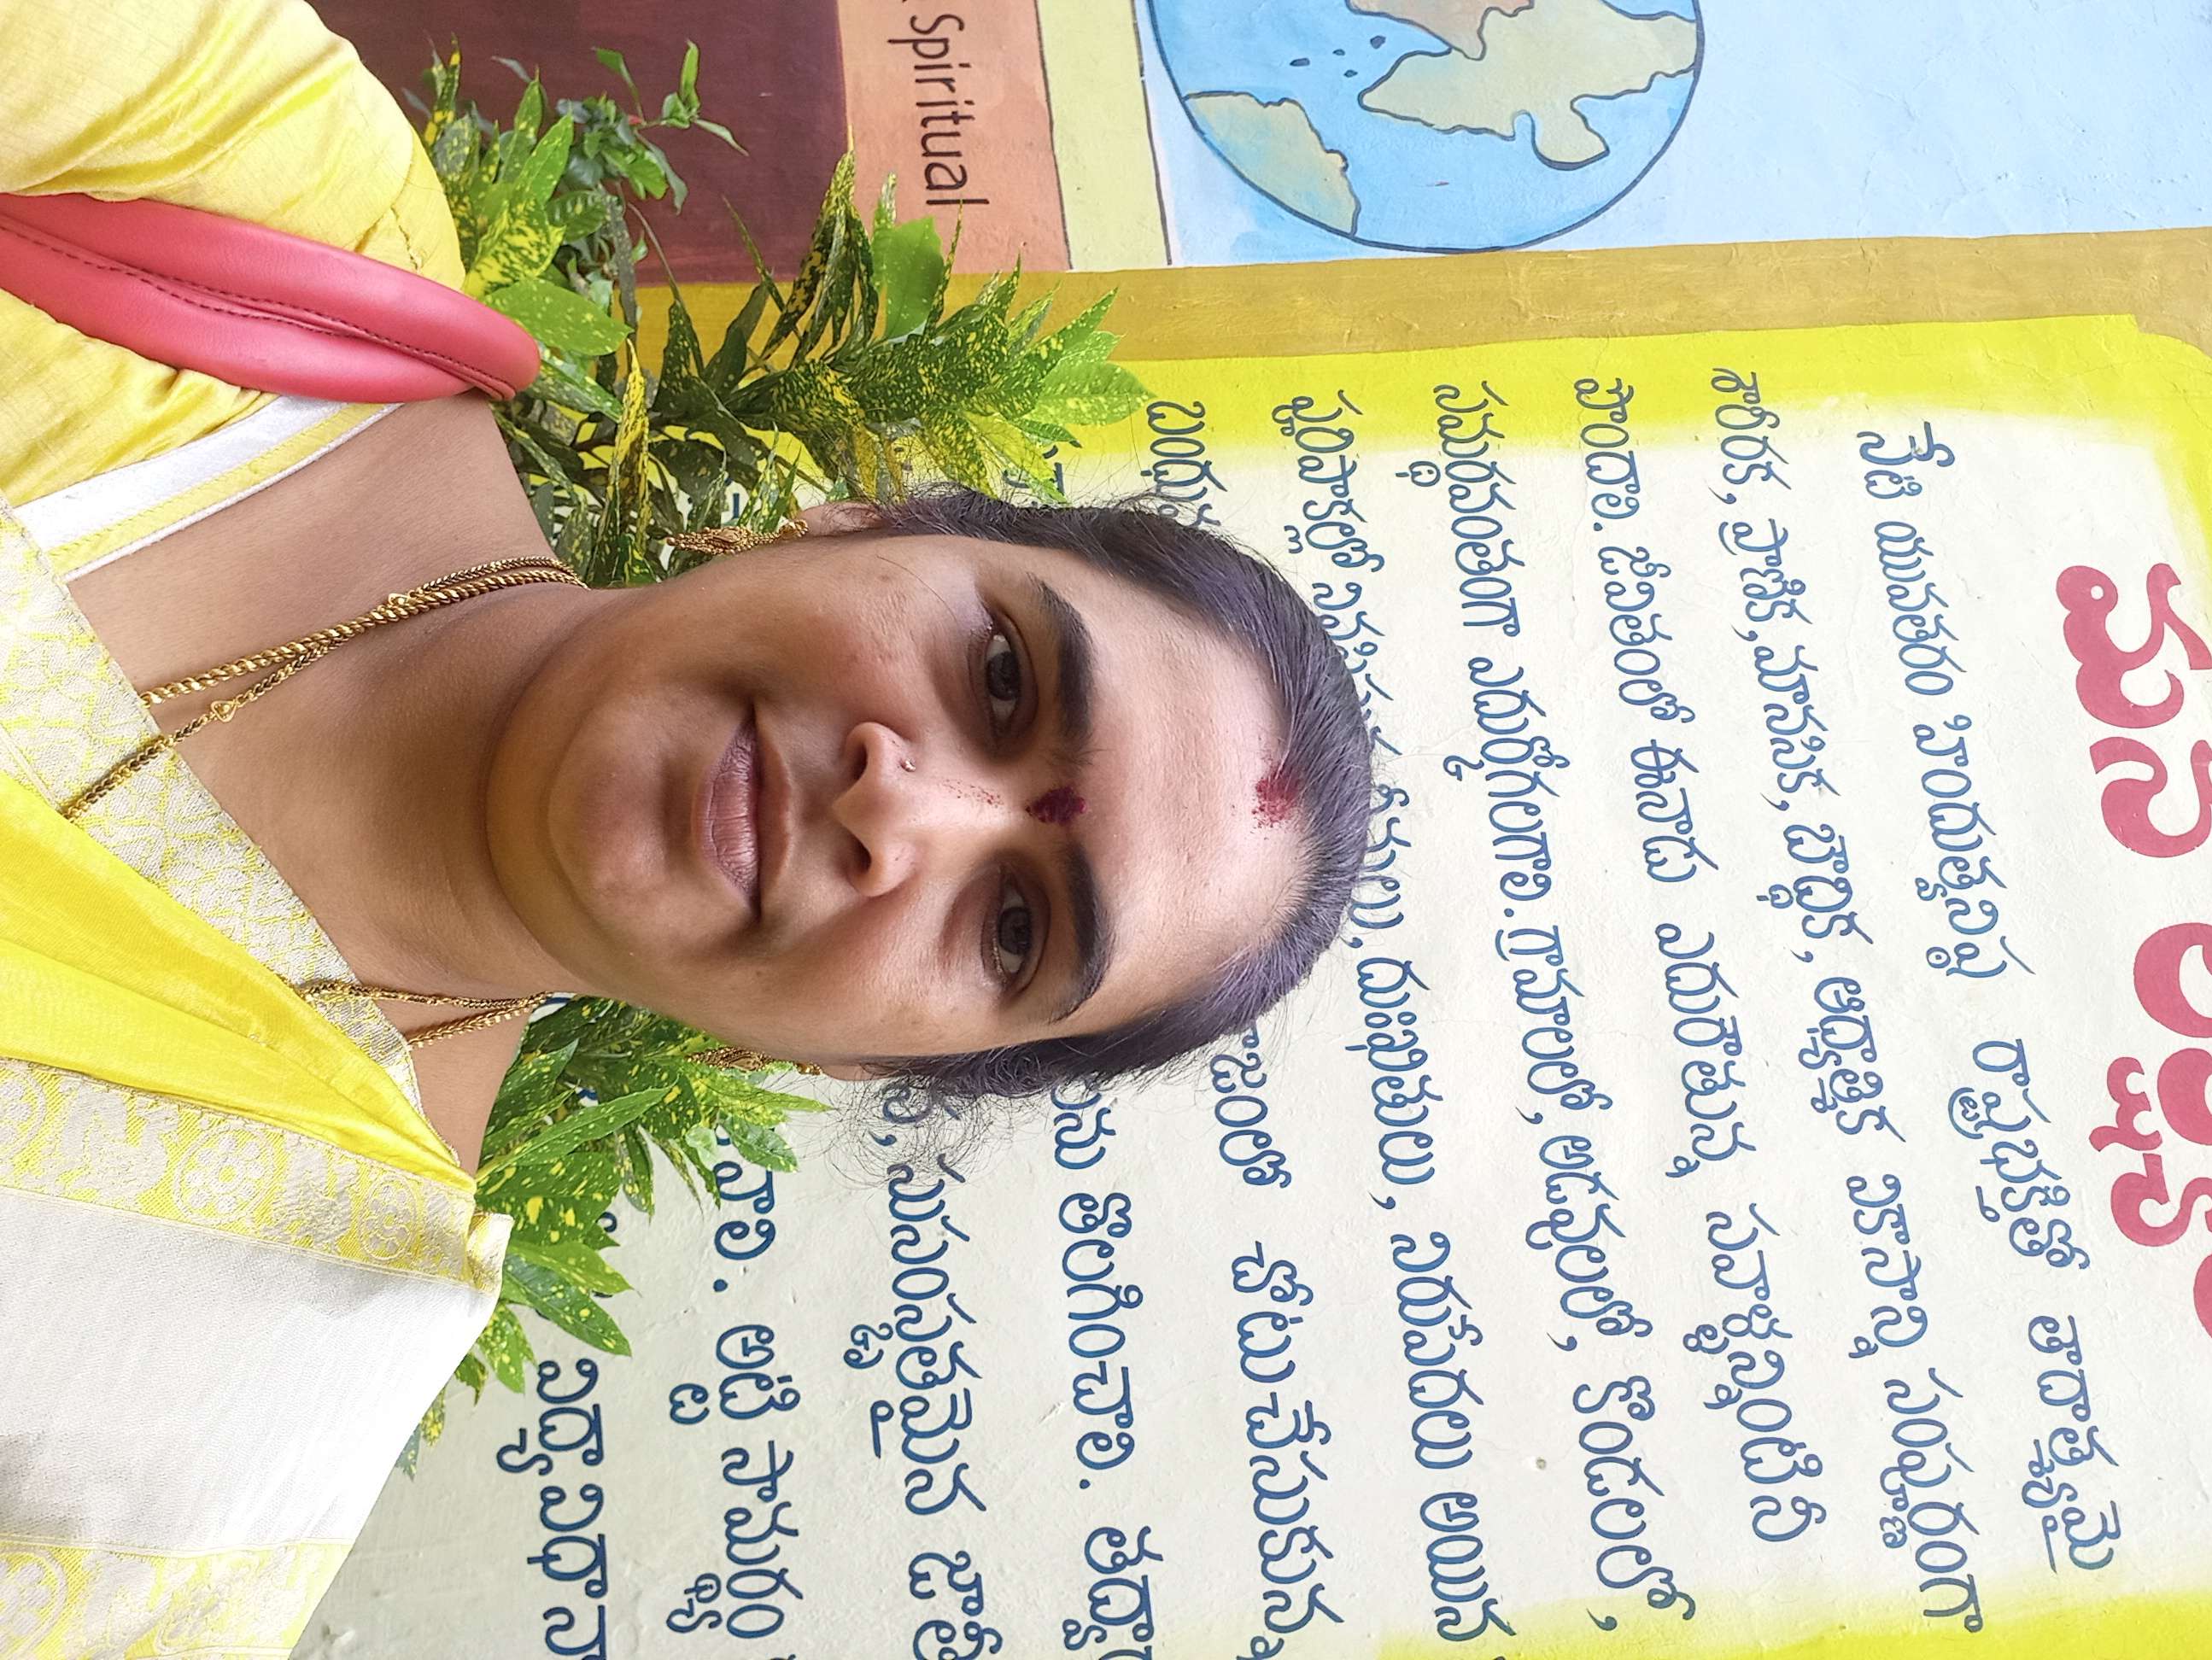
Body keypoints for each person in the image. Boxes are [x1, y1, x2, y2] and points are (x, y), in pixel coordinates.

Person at [0, 0, 1371, 1652]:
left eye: (1015, 928)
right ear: (851, 517)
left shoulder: (227, 1387)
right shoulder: (248, 180)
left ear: (860, 1063)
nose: (899, 806)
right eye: (1001, 674)